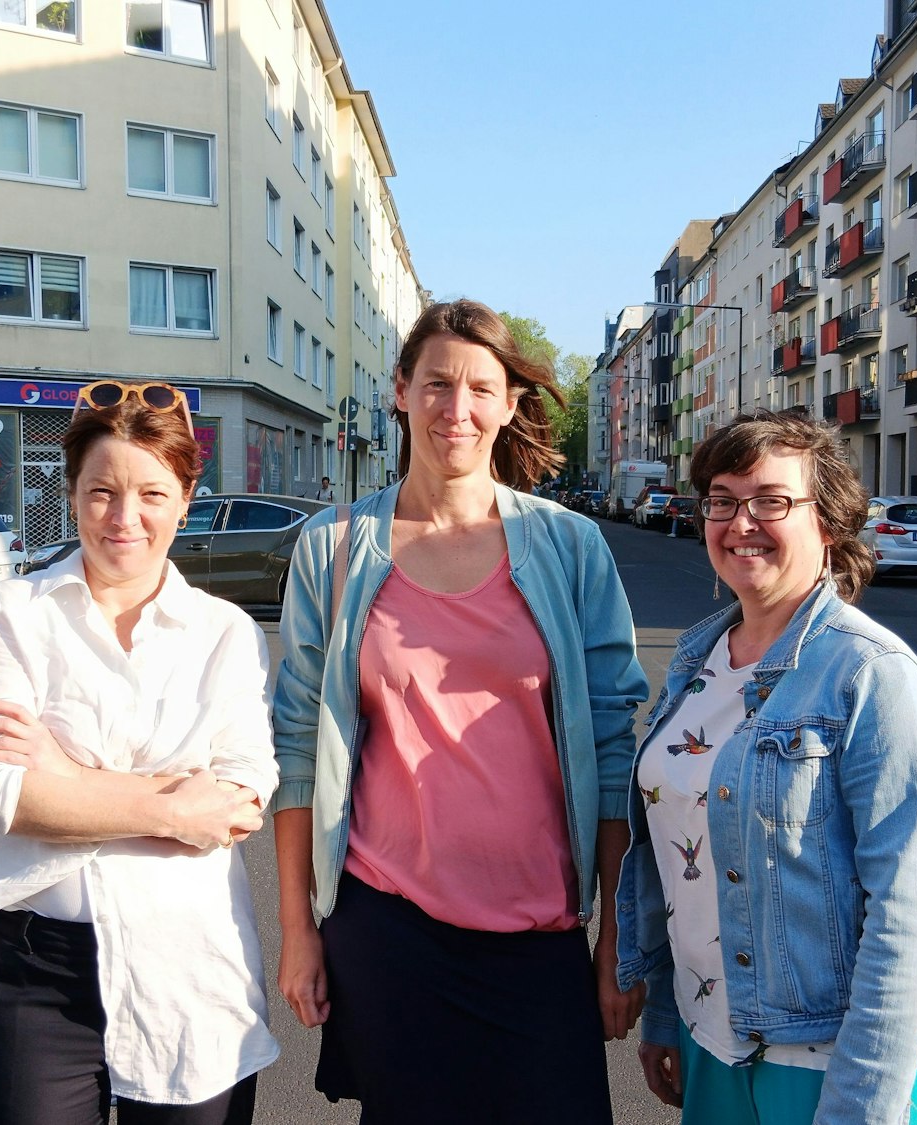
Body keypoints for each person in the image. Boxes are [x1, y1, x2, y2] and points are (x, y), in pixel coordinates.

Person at [271, 299, 650, 1123]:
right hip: (388, 929)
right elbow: (297, 745)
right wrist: (298, 928)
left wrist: (620, 934)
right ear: (400, 390)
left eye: (483, 387)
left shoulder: (568, 546)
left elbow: (616, 748)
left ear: (510, 402)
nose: (458, 407)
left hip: (541, 932)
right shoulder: (333, 548)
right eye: (437, 382)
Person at [0, 380, 281, 1125]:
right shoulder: (11, 613)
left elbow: (235, 804)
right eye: (101, 490)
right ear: (71, 492)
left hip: (191, 969)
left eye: (152, 493)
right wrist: (169, 803)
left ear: (186, 499)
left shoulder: (226, 633)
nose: (124, 517)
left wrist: (65, 774)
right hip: (31, 975)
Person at [616, 410, 917, 1124]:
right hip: (717, 1044)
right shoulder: (697, 660)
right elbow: (687, 858)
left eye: (772, 500)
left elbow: (906, 919)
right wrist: (670, 1018)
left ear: (828, 522)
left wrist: (860, 1108)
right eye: (722, 500)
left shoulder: (871, 675)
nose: (742, 522)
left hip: (834, 1061)